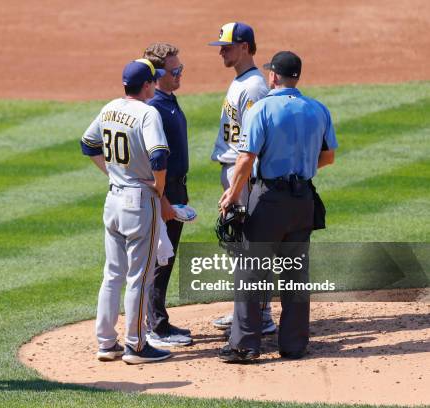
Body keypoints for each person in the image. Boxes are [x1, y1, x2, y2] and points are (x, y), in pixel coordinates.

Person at [217, 51, 338, 363]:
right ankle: (295, 345)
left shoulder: (263, 109)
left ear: (272, 76)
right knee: (295, 273)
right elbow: (328, 157)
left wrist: (232, 194)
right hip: (303, 201)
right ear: (296, 77)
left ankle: (244, 345)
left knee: (251, 272)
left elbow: (245, 159)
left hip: (269, 199)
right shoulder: (317, 109)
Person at [81, 59, 173, 364]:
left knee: (112, 275)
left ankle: (107, 343)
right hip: (139, 201)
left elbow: (87, 143)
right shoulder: (149, 113)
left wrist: (111, 173)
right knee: (140, 277)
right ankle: (136, 345)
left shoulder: (109, 108)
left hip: (113, 200)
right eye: (153, 81)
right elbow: (159, 156)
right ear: (146, 85)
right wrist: (158, 190)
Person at [207, 22, 275, 334]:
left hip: (243, 172)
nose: (221, 51)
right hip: (234, 170)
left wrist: (239, 184)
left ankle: (261, 315)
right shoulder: (242, 81)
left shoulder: (254, 87)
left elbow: (255, 142)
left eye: (227, 46)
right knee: (238, 243)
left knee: (250, 244)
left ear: (245, 47)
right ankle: (245, 310)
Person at [142, 43, 192, 348]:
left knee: (167, 257)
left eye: (180, 68)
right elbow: (151, 161)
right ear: (158, 74)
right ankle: (156, 328)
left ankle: (159, 321)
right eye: (175, 71)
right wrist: (161, 199)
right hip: (164, 190)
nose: (180, 74)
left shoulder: (168, 100)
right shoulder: (153, 108)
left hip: (176, 187)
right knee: (160, 259)